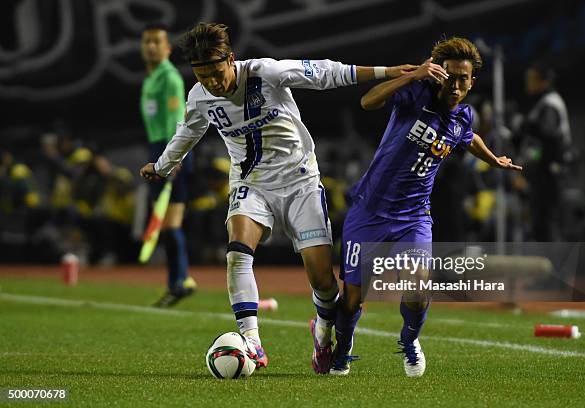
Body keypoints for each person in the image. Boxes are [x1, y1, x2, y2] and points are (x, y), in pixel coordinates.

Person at [139, 22, 416, 372]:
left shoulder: (266, 73)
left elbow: (326, 73)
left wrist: (387, 72)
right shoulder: (199, 96)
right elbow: (187, 133)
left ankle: (323, 332)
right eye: (202, 74)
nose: (211, 81)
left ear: (232, 60)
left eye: (215, 72)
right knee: (237, 253)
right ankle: (252, 342)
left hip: (300, 180)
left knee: (324, 283)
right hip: (251, 183)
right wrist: (162, 166)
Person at [333, 37, 522, 377]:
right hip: (370, 211)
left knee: (419, 287)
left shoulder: (464, 115)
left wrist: (493, 159)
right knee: (352, 297)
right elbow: (368, 101)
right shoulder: (416, 96)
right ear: (438, 72)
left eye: (463, 78)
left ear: (471, 81)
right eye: (449, 75)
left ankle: (409, 340)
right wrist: (412, 75)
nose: (455, 84)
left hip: (414, 217)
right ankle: (343, 349)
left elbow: (469, 137)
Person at [140, 24, 197, 307]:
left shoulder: (170, 78)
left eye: (156, 42)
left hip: (171, 152)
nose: (151, 46)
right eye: (147, 42)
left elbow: (179, 122)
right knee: (166, 223)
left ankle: (182, 280)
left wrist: (171, 159)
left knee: (170, 221)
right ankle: (177, 281)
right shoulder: (150, 79)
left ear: (167, 49)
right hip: (159, 149)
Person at [521, 61, 571, 241]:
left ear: (543, 81)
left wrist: (525, 124)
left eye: (531, 79)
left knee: (548, 222)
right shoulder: (542, 103)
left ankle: (556, 268)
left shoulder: (550, 103)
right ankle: (549, 266)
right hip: (542, 173)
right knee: (541, 224)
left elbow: (546, 131)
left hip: (550, 173)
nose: (528, 83)